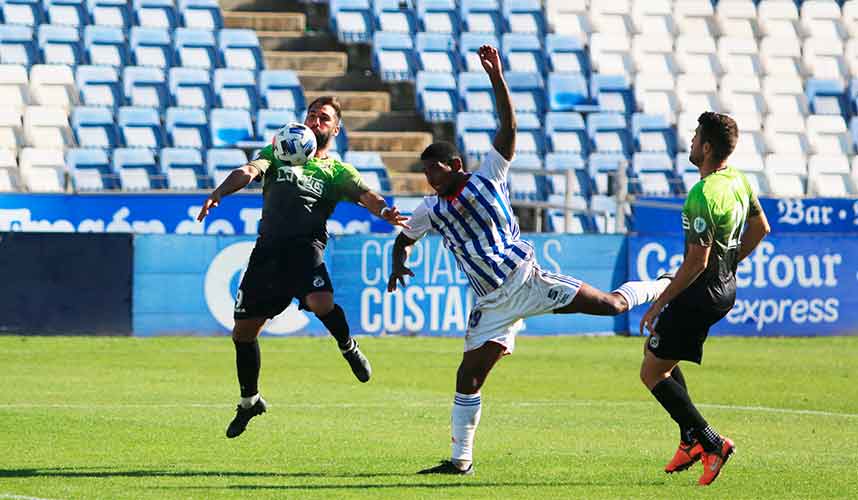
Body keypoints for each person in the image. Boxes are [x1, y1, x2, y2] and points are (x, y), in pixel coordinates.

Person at [386, 45, 673, 475]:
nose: (429, 178)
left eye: (435, 170)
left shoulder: (489, 175)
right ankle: (460, 460)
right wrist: (399, 261)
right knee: (468, 378)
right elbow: (403, 239)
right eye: (425, 173)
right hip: (492, 306)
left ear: (455, 165)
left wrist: (496, 77)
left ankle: (664, 285)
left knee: (613, 306)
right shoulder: (430, 209)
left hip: (529, 281)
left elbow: (509, 125)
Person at [197, 96, 410, 439]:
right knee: (243, 333)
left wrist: (384, 211)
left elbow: (366, 195)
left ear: (335, 129)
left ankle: (348, 347)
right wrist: (219, 192)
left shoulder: (336, 171)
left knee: (321, 301)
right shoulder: (278, 153)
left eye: (324, 117)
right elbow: (248, 171)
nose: (315, 120)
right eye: (312, 114)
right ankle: (250, 401)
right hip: (266, 253)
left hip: (305, 249)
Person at [638, 112, 771, 486]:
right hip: (724, 287)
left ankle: (713, 443)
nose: (691, 142)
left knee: (651, 372)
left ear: (707, 147)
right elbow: (762, 227)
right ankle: (688, 439)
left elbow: (697, 262)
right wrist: (729, 264)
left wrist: (659, 301)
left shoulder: (702, 194)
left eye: (696, 136)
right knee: (657, 354)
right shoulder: (739, 181)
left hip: (701, 292)